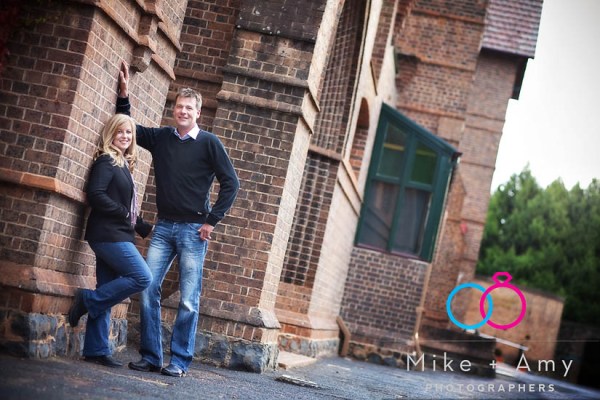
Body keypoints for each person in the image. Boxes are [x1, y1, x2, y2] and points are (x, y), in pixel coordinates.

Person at [117, 60, 240, 377]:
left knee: (188, 299)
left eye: (189, 108)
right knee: (147, 287)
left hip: (194, 231)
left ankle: (180, 361)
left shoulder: (209, 143)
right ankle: (151, 356)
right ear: (174, 110)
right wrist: (124, 95)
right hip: (163, 227)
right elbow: (130, 128)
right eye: (179, 106)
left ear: (198, 112)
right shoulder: (162, 138)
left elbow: (231, 183)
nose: (183, 111)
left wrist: (212, 221)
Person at [68, 113, 154, 368]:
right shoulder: (107, 160)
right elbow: (96, 194)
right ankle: (87, 300)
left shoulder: (123, 163)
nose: (125, 136)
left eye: (129, 132)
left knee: (107, 288)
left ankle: (95, 349)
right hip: (108, 235)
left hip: (117, 233)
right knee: (142, 277)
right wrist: (123, 213)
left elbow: (126, 208)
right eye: (120, 132)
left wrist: (144, 226)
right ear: (111, 134)